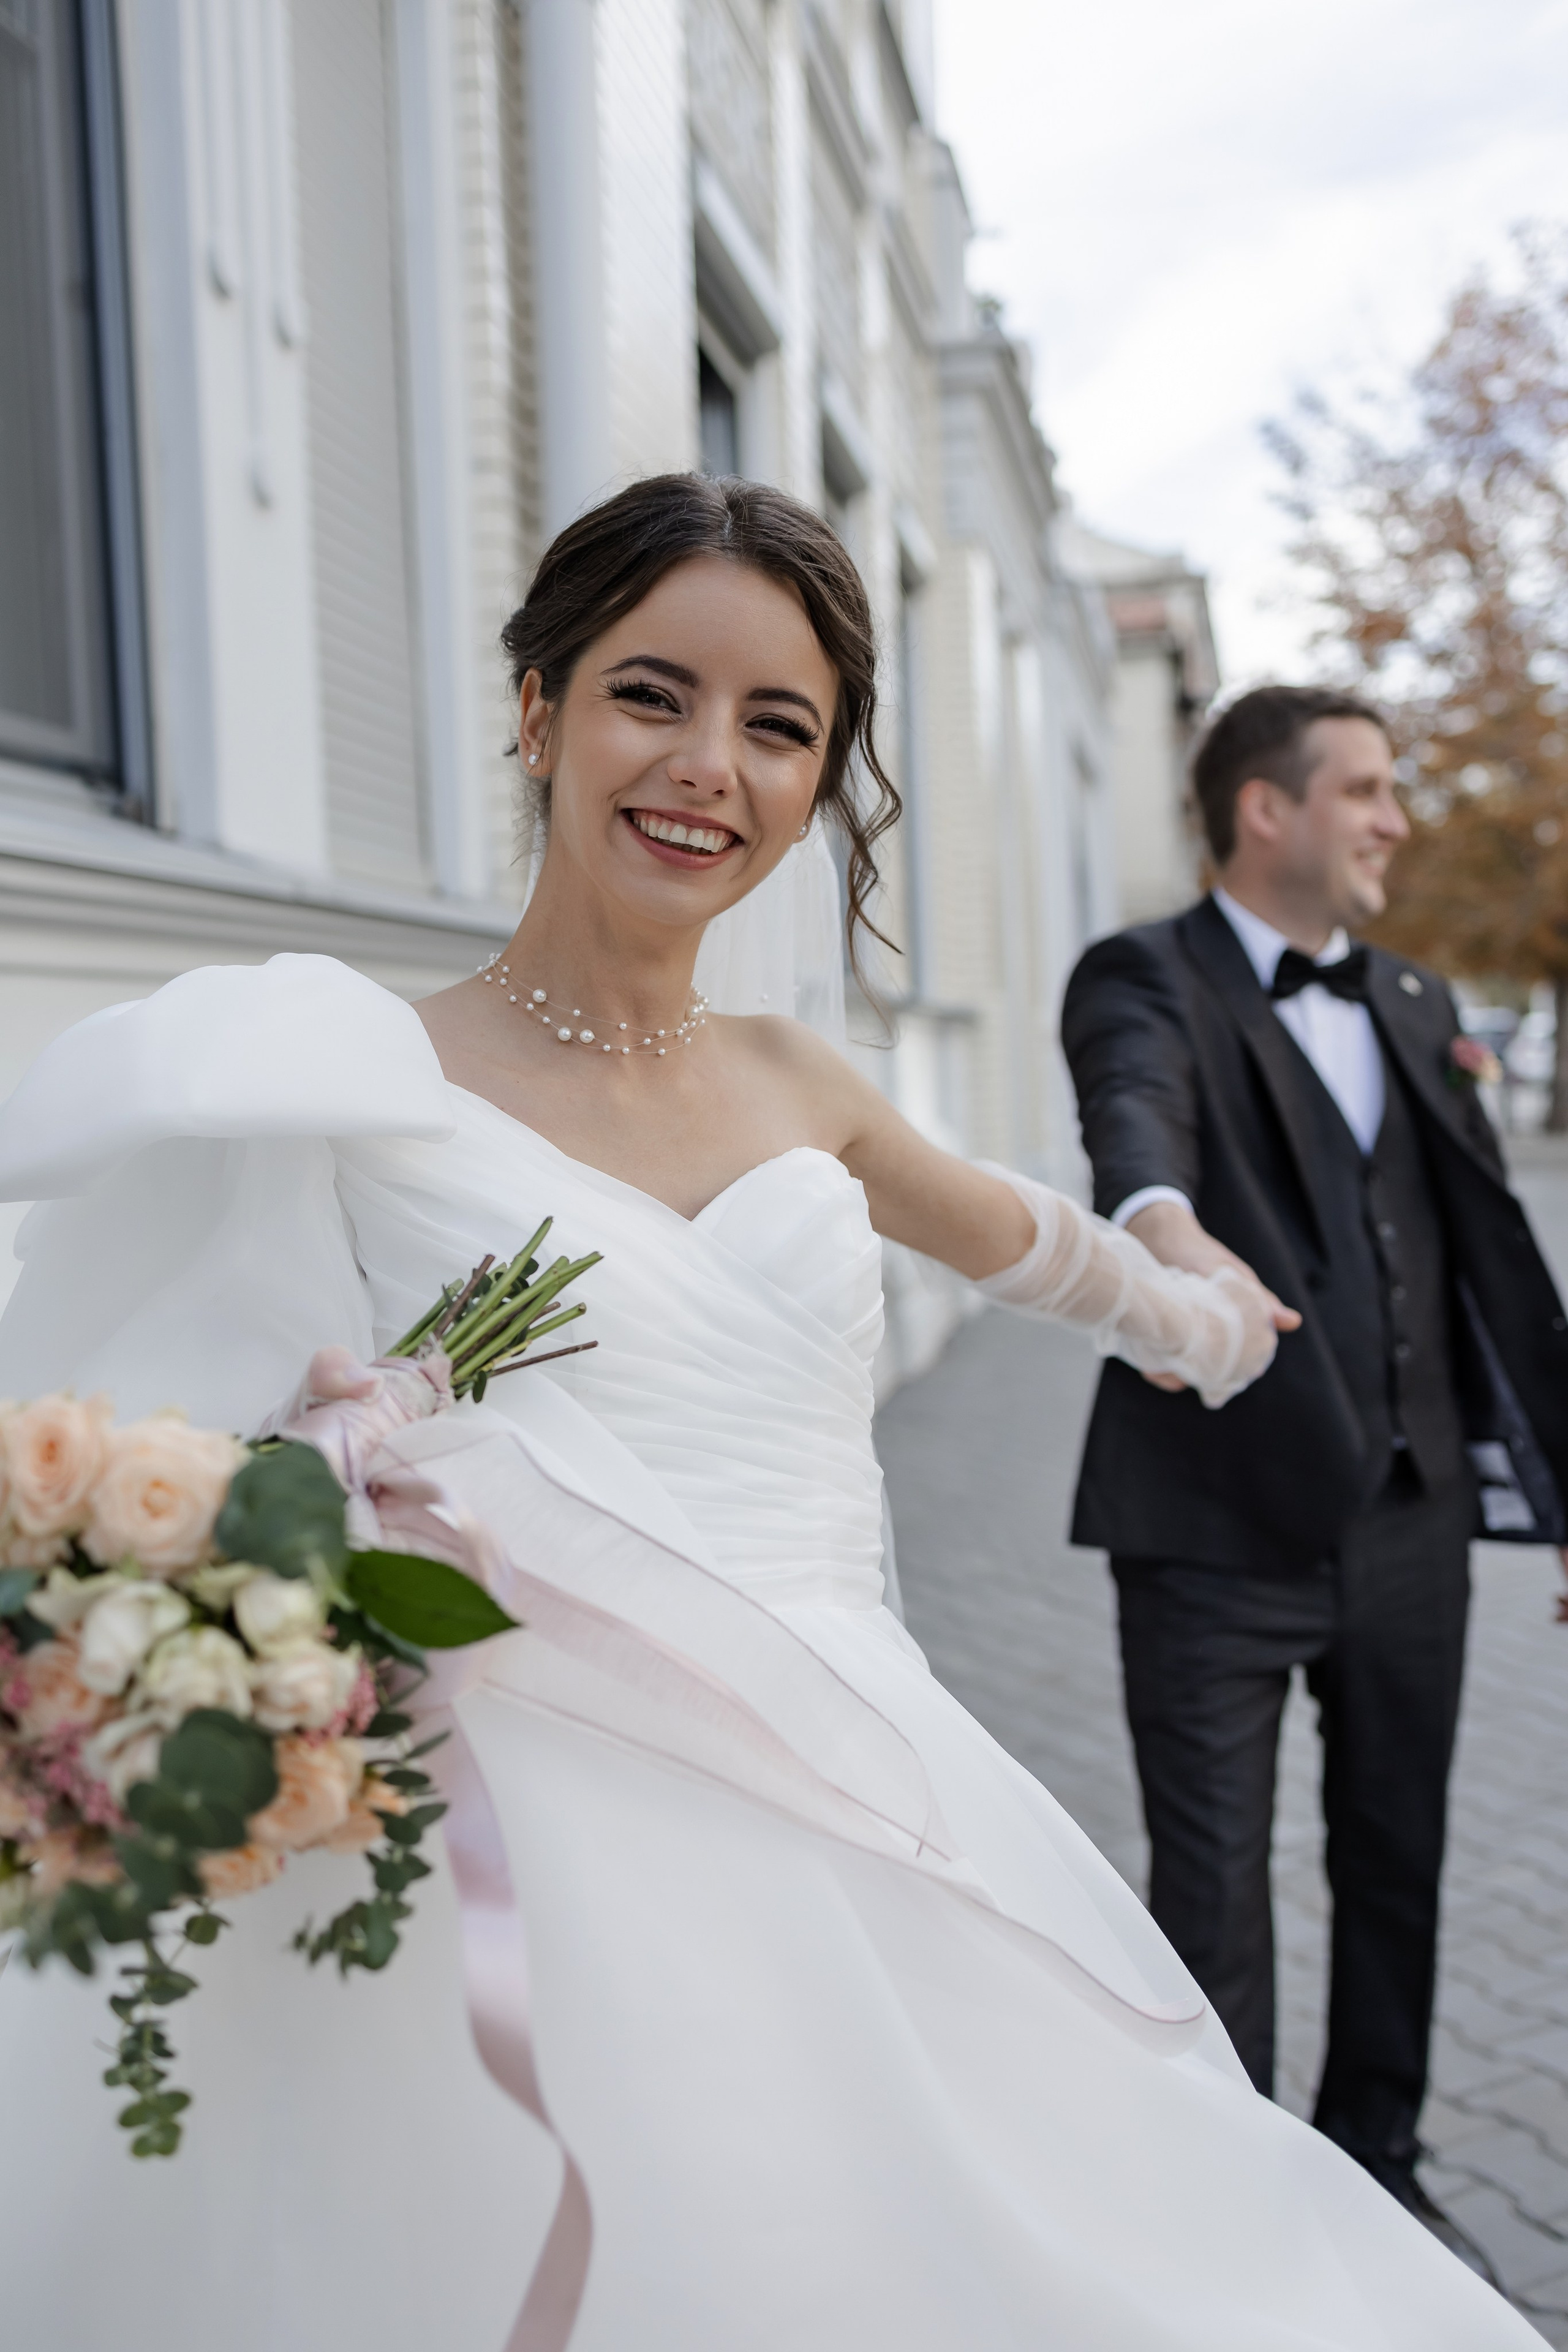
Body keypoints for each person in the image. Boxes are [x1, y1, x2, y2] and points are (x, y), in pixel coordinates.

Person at [0, 491, 1542, 2351]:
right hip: (510, 1830)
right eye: (654, 695)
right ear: (538, 707)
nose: (707, 768)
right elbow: (173, 1411)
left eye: (781, 727)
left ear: (824, 783)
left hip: (858, 1767)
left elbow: (1044, 1246)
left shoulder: (808, 1078)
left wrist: (1198, 1304)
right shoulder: (351, 1070)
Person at [1061, 682, 1568, 2278]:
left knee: (1400, 1862)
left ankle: (1380, 2185)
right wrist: (1159, 1224)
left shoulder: (1419, 1001)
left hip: (1414, 1521)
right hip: (1216, 1523)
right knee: (1212, 1900)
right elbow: (1132, 1114)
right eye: (1365, 789)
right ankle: (1225, 2233)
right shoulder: (1143, 976)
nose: (1398, 820)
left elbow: (1489, 1259)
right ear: (1264, 809)